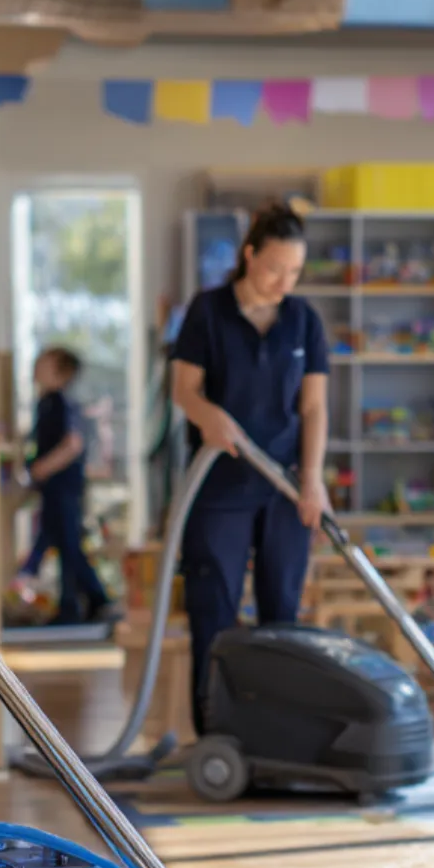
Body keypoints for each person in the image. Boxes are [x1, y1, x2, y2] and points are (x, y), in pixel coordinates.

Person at [171, 204, 331, 735]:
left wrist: (311, 480)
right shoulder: (208, 311)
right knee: (213, 611)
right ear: (249, 256)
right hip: (219, 485)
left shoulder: (304, 319)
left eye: (294, 272)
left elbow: (313, 408)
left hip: (283, 486)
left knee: (282, 613)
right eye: (274, 268)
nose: (284, 282)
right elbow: (184, 391)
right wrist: (208, 416)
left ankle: (276, 734)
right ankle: (218, 732)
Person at [26, 346, 114, 625]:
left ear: (61, 374)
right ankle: (78, 604)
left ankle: (87, 602)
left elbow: (73, 444)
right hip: (53, 488)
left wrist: (42, 467)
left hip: (65, 486)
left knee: (68, 544)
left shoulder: (63, 403)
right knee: (64, 544)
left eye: (44, 363)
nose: (36, 366)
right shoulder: (46, 402)